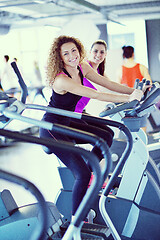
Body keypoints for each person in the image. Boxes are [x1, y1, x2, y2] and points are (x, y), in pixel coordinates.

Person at [39, 35, 145, 228]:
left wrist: (132, 92)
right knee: (82, 174)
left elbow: (106, 83)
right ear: (59, 58)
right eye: (66, 53)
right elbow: (95, 94)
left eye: (74, 50)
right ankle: (75, 223)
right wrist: (128, 99)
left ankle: (90, 174)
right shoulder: (61, 80)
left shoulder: (82, 66)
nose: (72, 56)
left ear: (79, 49)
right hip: (52, 129)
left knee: (106, 135)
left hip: (68, 122)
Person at [75, 39, 107, 113]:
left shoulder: (100, 71)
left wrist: (130, 93)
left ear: (105, 55)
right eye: (95, 51)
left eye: (102, 52)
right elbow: (101, 92)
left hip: (81, 110)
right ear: (90, 52)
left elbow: (111, 85)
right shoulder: (84, 66)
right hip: (72, 111)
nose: (99, 55)